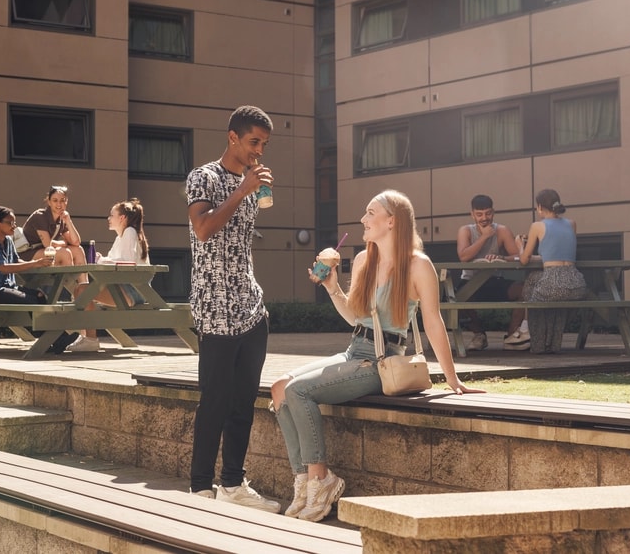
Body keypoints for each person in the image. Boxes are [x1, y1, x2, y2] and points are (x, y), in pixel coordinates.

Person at [271, 190, 484, 522]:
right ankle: (304, 481)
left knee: (299, 390)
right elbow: (356, 319)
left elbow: (433, 322)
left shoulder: (418, 266)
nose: (363, 220)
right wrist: (331, 287)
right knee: (281, 387)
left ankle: (321, 479)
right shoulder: (361, 261)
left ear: (391, 221)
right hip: (354, 351)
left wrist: (452, 378)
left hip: (382, 363)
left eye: (370, 213)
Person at [186, 105, 279, 512]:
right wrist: (241, 191)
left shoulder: (253, 182)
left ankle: (233, 484)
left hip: (250, 306)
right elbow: (203, 230)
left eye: (264, 144)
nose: (259, 151)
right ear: (233, 138)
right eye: (253, 142)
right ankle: (200, 488)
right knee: (215, 400)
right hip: (215, 305)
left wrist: (252, 189)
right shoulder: (202, 177)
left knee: (244, 402)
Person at [0, 206, 78, 353]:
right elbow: (2, 267)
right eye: (10, 223)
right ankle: (52, 339)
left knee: (40, 296)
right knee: (31, 301)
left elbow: (17, 261)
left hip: (8, 287)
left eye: (14, 222)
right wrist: (35, 263)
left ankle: (52, 340)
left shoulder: (9, 241)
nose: (14, 226)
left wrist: (41, 262)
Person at [68, 198, 150, 353]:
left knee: (84, 291)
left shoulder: (130, 232)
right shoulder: (121, 237)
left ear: (122, 218)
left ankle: (90, 339)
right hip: (123, 287)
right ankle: (86, 337)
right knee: (80, 290)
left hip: (135, 290)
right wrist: (103, 259)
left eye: (111, 215)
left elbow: (128, 262)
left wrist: (102, 260)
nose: (108, 218)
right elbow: (114, 260)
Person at [517, 189, 588, 354]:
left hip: (553, 282)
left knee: (532, 289)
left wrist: (519, 245)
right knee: (549, 296)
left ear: (540, 207)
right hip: (576, 282)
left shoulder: (537, 226)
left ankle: (537, 343)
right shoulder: (572, 223)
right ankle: (553, 344)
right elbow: (559, 252)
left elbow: (524, 260)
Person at [455, 194, 529, 351]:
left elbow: (518, 256)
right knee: (457, 298)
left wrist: (501, 257)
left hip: (495, 280)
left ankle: (511, 336)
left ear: (493, 212)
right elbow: (463, 256)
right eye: (479, 214)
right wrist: (485, 237)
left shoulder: (502, 230)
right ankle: (479, 335)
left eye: (488, 213)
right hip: (470, 281)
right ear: (472, 214)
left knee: (525, 289)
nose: (484, 218)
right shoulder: (465, 230)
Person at [19, 185, 89, 290]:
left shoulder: (61, 219)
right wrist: (60, 243)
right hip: (28, 254)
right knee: (64, 253)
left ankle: (84, 289)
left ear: (66, 202)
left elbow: (76, 242)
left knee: (78, 250)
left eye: (62, 201)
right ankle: (73, 292)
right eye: (55, 200)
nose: (59, 204)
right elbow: (48, 246)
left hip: (45, 252)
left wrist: (68, 221)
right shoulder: (40, 216)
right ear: (49, 202)